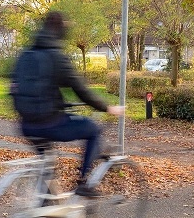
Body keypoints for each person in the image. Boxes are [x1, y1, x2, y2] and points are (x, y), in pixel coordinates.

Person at [10, 11, 124, 197]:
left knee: (47, 163)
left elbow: (14, 87)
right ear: (60, 31)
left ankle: (46, 204)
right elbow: (81, 90)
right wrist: (108, 108)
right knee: (93, 130)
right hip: (50, 123)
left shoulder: (25, 55)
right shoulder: (56, 56)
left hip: (26, 125)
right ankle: (83, 183)